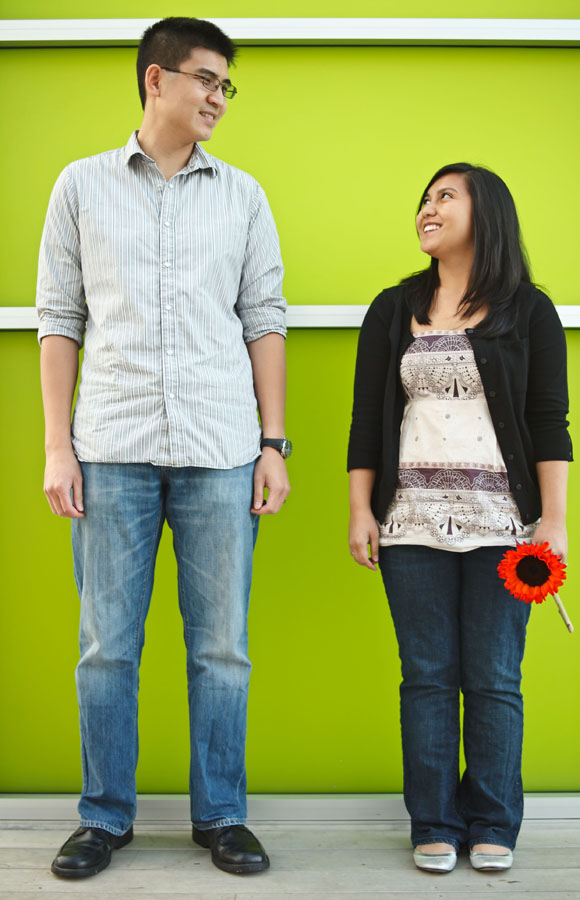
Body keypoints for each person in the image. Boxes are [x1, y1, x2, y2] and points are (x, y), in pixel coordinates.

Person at [37, 16, 291, 880]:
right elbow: (59, 323)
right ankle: (103, 818)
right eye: (206, 79)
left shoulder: (244, 196)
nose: (218, 97)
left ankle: (220, 814)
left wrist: (273, 443)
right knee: (107, 644)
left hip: (222, 448)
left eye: (227, 85)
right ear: (156, 80)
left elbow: (264, 322)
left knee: (220, 644)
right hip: (111, 446)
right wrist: (57, 447)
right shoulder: (79, 187)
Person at [348, 163, 571, 874]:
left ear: (487, 213)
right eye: (423, 198)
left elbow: (547, 421)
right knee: (426, 677)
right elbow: (365, 421)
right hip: (409, 524)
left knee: (494, 678)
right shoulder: (392, 308)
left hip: (503, 529)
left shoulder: (528, 311)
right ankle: (435, 821)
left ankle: (493, 822)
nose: (426, 207)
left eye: (445, 196)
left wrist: (553, 520)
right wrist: (361, 508)